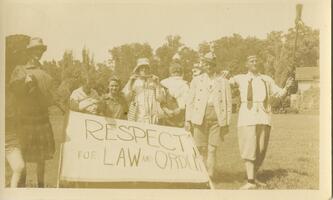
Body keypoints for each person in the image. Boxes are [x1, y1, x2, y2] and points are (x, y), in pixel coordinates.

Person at [225, 55, 294, 189]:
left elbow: (279, 94)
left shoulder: (266, 79)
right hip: (247, 116)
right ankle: (250, 181)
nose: (255, 63)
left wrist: (286, 87)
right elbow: (226, 83)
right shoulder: (240, 78)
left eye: (257, 60)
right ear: (247, 64)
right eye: (252, 61)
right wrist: (225, 75)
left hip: (263, 116)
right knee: (249, 148)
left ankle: (252, 177)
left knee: (261, 150)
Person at [9, 37, 55, 187]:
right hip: (26, 120)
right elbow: (13, 91)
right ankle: (21, 189)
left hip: (42, 119)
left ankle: (40, 188)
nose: (39, 53)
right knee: (24, 154)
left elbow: (50, 95)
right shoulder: (20, 69)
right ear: (30, 52)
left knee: (41, 158)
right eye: (36, 50)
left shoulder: (44, 71)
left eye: (40, 51)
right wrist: (24, 83)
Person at [185, 52, 232, 180]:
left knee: (212, 149)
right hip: (200, 116)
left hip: (217, 117)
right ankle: (199, 174)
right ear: (203, 66)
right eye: (206, 64)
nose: (209, 67)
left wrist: (226, 123)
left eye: (211, 64)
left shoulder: (223, 82)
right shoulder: (196, 80)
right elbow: (190, 100)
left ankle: (210, 176)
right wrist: (188, 120)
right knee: (199, 148)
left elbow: (228, 103)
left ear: (215, 65)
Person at [122, 58, 164, 124]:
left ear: (149, 69)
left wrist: (158, 84)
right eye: (142, 67)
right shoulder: (134, 81)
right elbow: (126, 98)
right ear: (138, 69)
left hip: (152, 115)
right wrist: (130, 82)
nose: (144, 70)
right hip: (138, 114)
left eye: (146, 67)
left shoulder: (154, 81)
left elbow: (160, 99)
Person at [159, 62, 189, 127]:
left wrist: (179, 109)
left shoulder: (185, 85)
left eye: (178, 72)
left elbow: (187, 101)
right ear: (170, 73)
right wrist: (166, 110)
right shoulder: (164, 83)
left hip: (181, 117)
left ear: (181, 73)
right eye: (174, 72)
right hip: (167, 116)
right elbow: (161, 100)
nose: (176, 74)